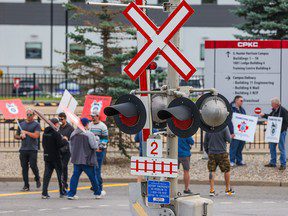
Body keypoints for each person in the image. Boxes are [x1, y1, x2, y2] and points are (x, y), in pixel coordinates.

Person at [67, 118, 104, 200]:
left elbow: (71, 147)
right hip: (87, 159)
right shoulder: (89, 134)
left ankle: (71, 194)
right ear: (86, 124)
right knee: (92, 177)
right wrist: (97, 139)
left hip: (76, 159)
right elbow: (94, 146)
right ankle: (97, 193)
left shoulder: (73, 134)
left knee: (75, 176)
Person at [14, 109, 41, 191]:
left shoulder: (36, 125)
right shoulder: (21, 124)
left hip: (33, 149)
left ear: (34, 115)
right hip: (23, 149)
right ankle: (26, 185)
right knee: (24, 168)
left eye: (30, 114)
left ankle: (37, 177)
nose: (28, 116)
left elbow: (36, 135)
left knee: (33, 165)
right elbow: (16, 136)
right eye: (27, 114)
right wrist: (20, 137)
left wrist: (26, 132)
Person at [204, 127, 234, 197]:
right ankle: (227, 189)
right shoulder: (224, 127)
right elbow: (229, 140)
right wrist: (231, 137)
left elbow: (205, 142)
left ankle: (211, 190)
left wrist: (208, 152)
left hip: (212, 152)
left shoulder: (209, 128)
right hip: (222, 152)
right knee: (227, 170)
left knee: (212, 170)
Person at [260, 97, 288, 170]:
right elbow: (271, 117)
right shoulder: (274, 110)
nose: (271, 105)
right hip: (274, 132)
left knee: (281, 148)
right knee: (272, 147)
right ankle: (273, 162)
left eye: (272, 103)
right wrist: (264, 115)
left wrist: (280, 129)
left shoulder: (283, 111)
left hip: (281, 132)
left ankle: (283, 164)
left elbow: (286, 122)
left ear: (276, 104)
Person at [42, 118, 66, 199]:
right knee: (60, 175)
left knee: (47, 175)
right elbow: (60, 144)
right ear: (55, 124)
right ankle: (62, 192)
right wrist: (65, 140)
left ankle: (44, 193)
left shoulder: (45, 133)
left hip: (47, 156)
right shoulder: (56, 133)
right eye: (57, 124)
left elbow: (43, 144)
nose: (58, 125)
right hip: (56, 157)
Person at [89, 110, 108, 193]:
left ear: (97, 116)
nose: (92, 118)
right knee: (92, 168)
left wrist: (99, 147)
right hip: (91, 150)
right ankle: (95, 185)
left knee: (97, 169)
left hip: (99, 150)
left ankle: (99, 187)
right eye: (91, 116)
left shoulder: (102, 126)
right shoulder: (90, 125)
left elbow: (105, 139)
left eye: (93, 116)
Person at [228, 95, 246, 166]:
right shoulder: (231, 108)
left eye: (242, 101)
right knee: (234, 147)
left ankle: (239, 160)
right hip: (235, 132)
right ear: (236, 100)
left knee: (240, 146)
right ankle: (232, 161)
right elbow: (229, 121)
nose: (242, 102)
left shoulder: (242, 110)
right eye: (241, 100)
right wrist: (231, 132)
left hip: (241, 132)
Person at [58, 112, 74, 190]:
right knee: (60, 166)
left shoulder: (70, 128)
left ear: (65, 119)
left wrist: (67, 139)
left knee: (64, 166)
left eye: (61, 119)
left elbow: (74, 138)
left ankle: (64, 182)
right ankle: (61, 181)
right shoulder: (58, 127)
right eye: (59, 119)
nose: (60, 121)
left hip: (67, 149)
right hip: (59, 149)